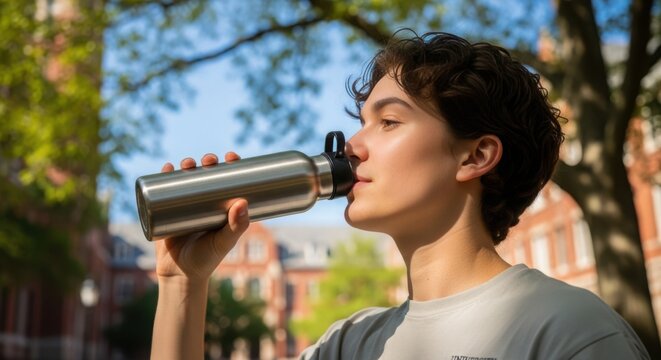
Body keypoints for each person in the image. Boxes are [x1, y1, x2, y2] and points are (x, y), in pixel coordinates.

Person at [150, 30, 650, 359]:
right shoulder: (347, 345)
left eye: (388, 121)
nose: (353, 146)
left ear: (475, 157)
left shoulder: (570, 333)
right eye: (361, 123)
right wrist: (183, 285)